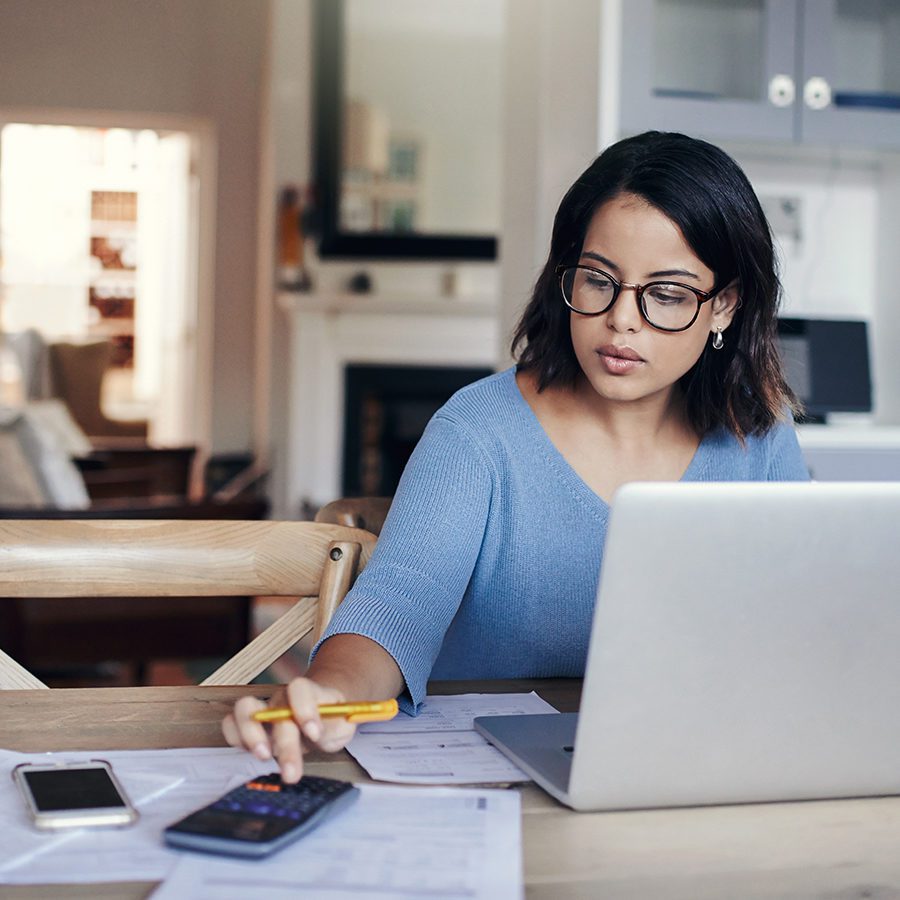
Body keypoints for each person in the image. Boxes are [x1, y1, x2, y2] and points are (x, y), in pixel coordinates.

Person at [223, 131, 810, 781]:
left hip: (688, 771)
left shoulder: (760, 436)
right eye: (598, 281)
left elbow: (800, 627)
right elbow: (397, 604)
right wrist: (330, 692)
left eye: (667, 294)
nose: (622, 320)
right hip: (485, 781)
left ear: (723, 304)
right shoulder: (475, 433)